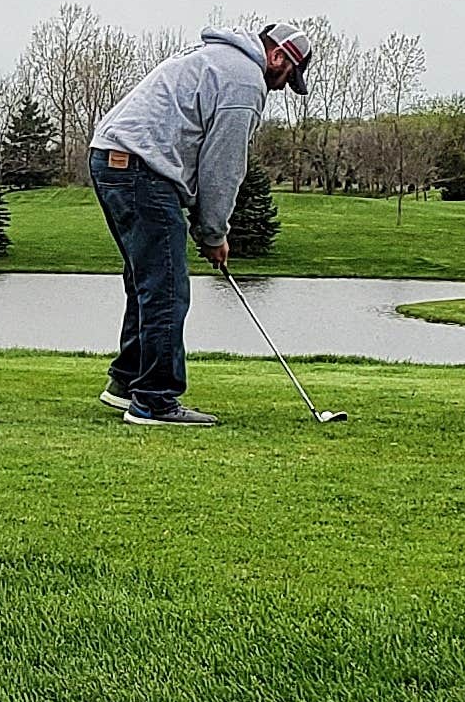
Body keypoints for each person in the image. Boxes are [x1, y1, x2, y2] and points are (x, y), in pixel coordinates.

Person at [87, 24, 311, 425]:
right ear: (278, 57)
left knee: (148, 278)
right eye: (287, 76)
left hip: (112, 158)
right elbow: (223, 166)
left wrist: (205, 224)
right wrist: (214, 233)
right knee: (167, 286)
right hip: (141, 166)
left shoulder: (215, 58)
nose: (281, 86)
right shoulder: (244, 81)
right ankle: (154, 401)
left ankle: (126, 383)